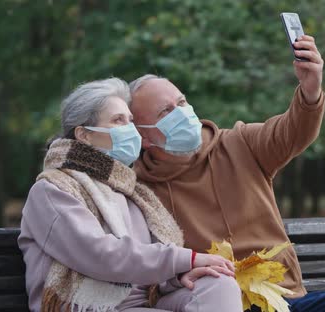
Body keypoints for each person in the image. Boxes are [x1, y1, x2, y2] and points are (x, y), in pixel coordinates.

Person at [128, 35, 325, 312]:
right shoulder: (137, 189)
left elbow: (291, 132)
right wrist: (177, 278)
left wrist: (310, 91)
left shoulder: (239, 143)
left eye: (181, 102)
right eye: (166, 111)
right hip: (218, 302)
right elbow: (141, 269)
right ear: (143, 137)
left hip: (286, 300)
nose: (181, 113)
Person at [17, 78, 242, 312]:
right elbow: (100, 255)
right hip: (91, 307)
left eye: (130, 120)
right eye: (118, 120)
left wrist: (178, 276)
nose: (130, 129)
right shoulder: (53, 190)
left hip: (145, 303)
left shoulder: (133, 192)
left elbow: (144, 274)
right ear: (84, 135)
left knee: (219, 284)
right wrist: (188, 259)